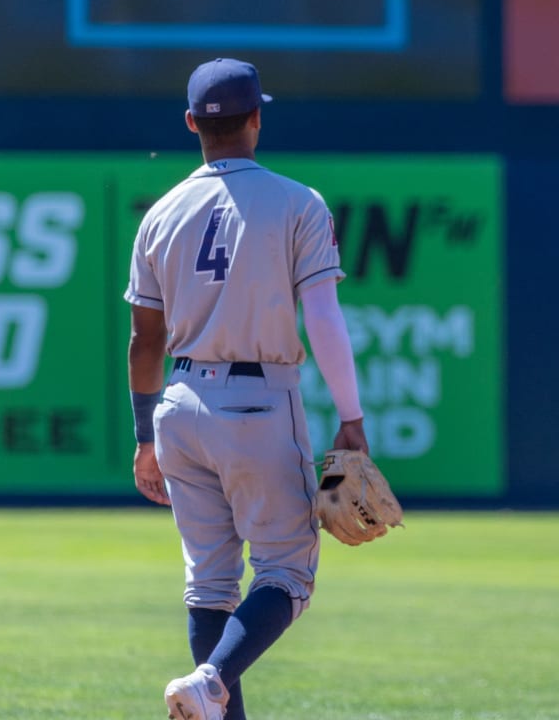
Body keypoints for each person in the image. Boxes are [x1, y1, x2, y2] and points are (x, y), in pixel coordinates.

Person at [125, 57, 368, 720]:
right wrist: (351, 416)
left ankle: (208, 690)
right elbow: (321, 316)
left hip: (178, 404)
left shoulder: (162, 213)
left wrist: (146, 436)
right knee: (287, 574)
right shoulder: (298, 202)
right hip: (259, 402)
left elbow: (144, 343)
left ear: (189, 124)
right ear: (257, 119)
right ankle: (212, 681)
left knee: (208, 585)